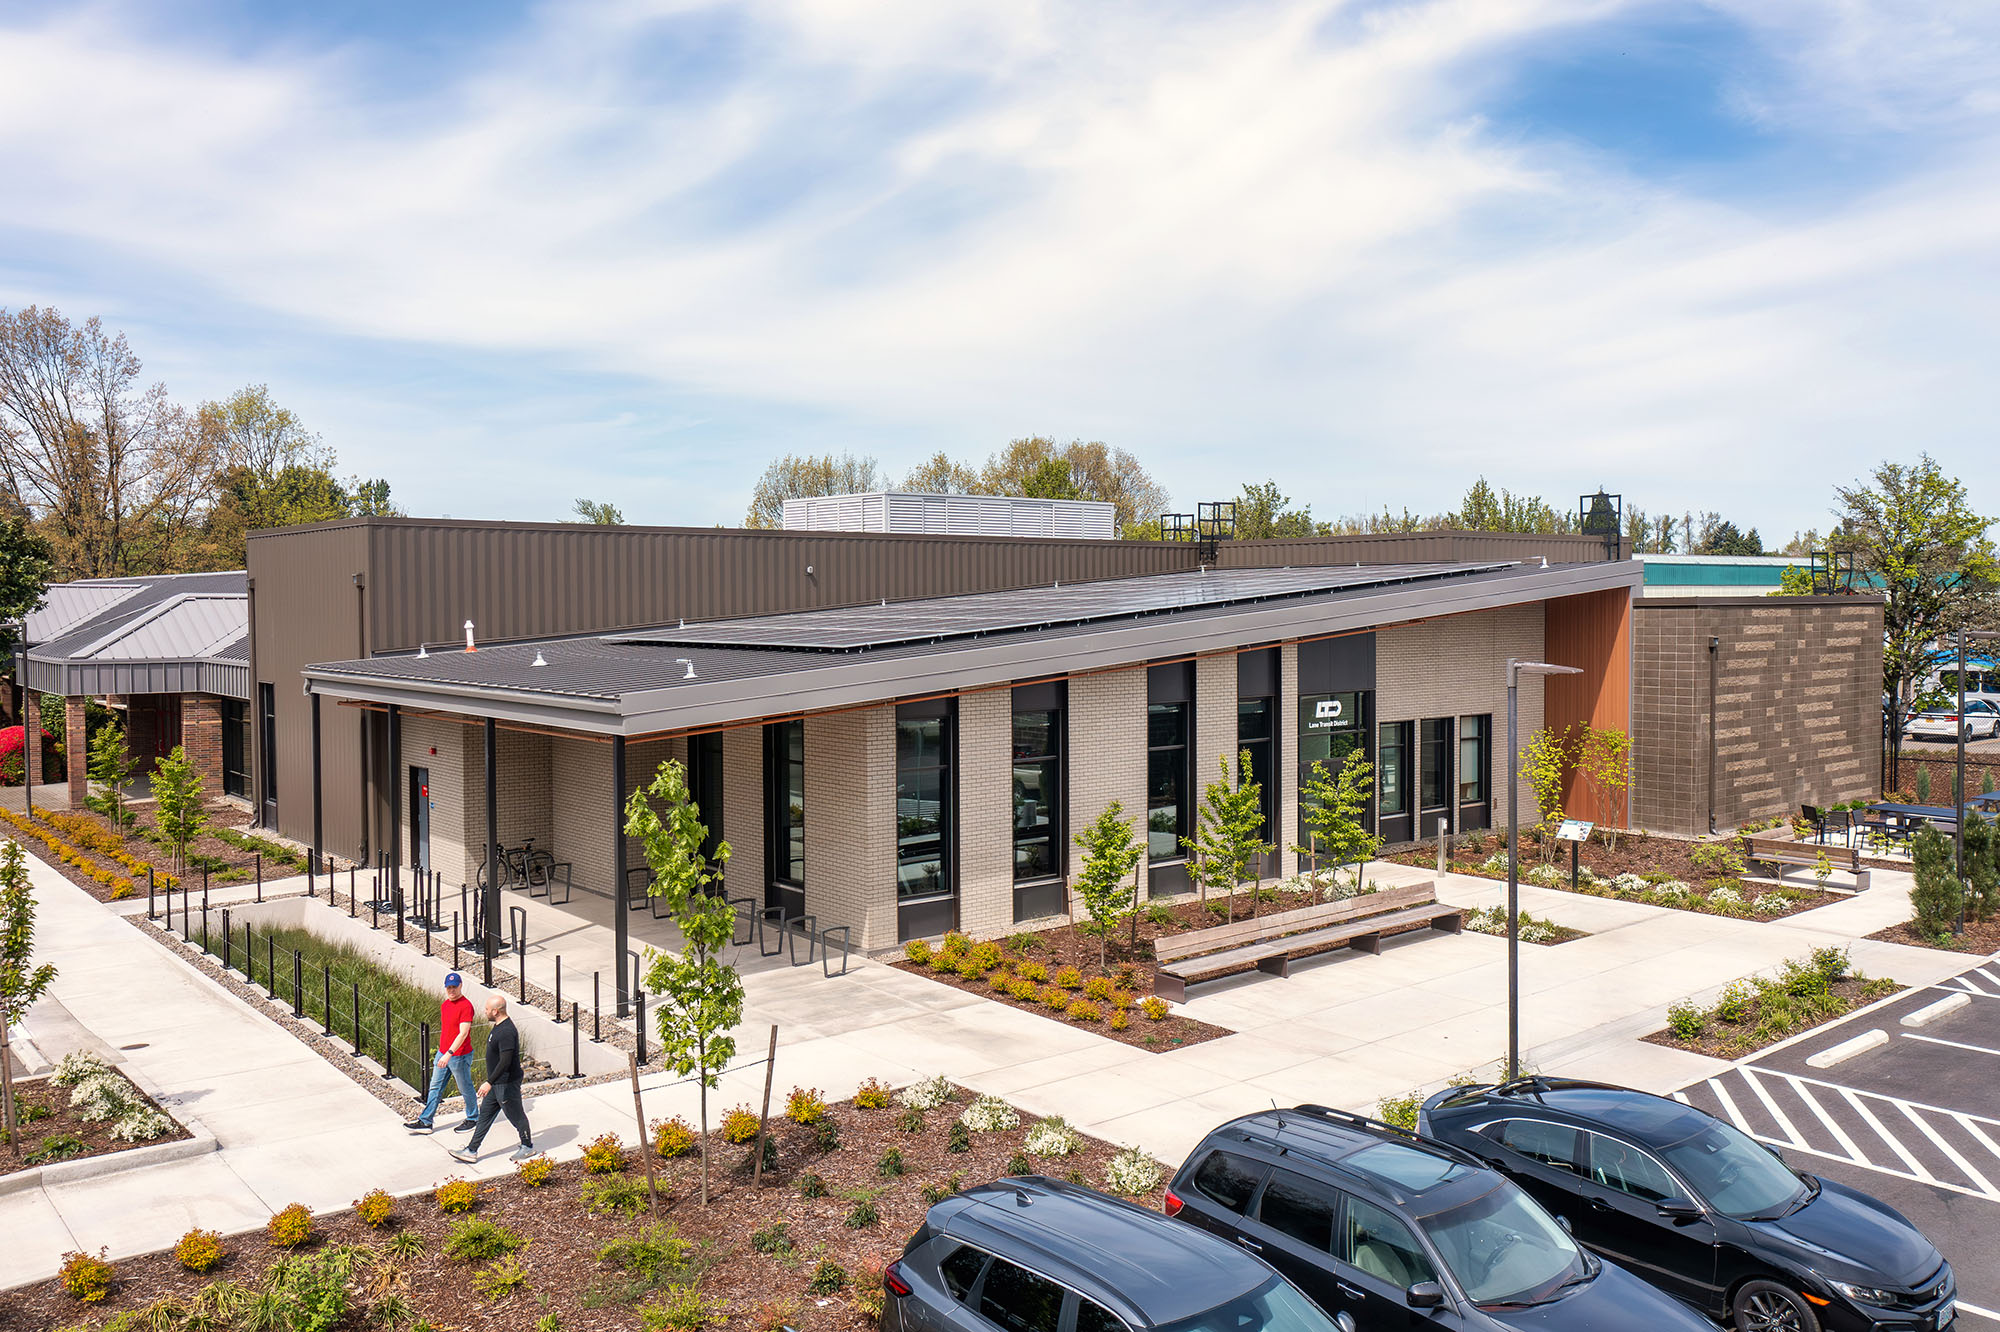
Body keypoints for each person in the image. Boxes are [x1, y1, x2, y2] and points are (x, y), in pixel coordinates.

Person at [449, 994, 535, 1163]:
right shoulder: (498, 1026)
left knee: (516, 1115)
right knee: (485, 1116)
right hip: (497, 1084)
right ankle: (471, 1150)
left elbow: (506, 1061)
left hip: (506, 1083)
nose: (485, 1012)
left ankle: (527, 1146)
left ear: (496, 1011)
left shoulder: (506, 1031)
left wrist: (489, 1082)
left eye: (487, 1009)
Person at [404, 972, 477, 1134]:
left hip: (458, 1056)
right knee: (435, 1087)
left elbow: (463, 1033)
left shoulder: (466, 1006)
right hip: (443, 1053)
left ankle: (472, 1118)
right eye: (448, 987)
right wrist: (443, 1052)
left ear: (460, 986)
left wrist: (449, 1053)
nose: (451, 990)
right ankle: (425, 1121)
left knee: (465, 1087)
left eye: (454, 987)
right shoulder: (445, 1005)